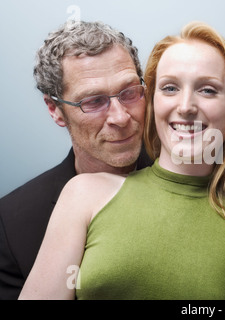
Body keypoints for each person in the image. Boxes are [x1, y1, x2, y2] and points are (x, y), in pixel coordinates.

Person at [19, 21, 225, 300]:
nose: (185, 106)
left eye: (208, 90)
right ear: (152, 100)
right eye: (170, 88)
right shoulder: (82, 195)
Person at [0, 21, 152, 300]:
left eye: (129, 92)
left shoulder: (200, 179)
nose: (120, 117)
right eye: (93, 102)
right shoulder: (11, 224)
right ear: (55, 110)